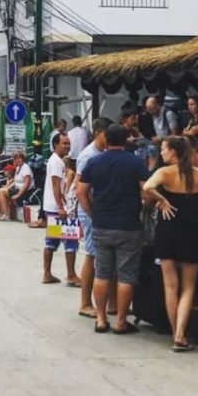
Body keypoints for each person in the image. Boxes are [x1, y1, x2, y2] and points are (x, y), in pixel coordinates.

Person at [76, 123, 148, 335]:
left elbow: (81, 192)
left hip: (102, 224)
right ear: (126, 140)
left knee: (102, 272)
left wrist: (93, 214)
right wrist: (147, 204)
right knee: (126, 275)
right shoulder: (136, 163)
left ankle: (100, 319)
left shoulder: (94, 162)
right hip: (129, 225)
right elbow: (147, 189)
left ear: (106, 140)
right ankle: (121, 322)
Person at [142, 137, 198, 351]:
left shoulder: (165, 173)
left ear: (173, 152)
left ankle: (176, 333)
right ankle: (181, 333)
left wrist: (162, 200)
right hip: (191, 232)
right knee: (188, 286)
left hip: (167, 231)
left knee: (170, 286)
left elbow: (147, 187)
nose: (161, 153)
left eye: (163, 149)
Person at [74, 118, 111, 318]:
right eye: (106, 135)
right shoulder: (87, 155)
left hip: (99, 209)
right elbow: (82, 190)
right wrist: (92, 213)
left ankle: (110, 303)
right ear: (97, 133)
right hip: (89, 209)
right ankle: (85, 303)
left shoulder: (103, 153)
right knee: (91, 254)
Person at [41, 133, 79, 284]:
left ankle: (47, 273)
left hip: (53, 206)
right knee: (70, 240)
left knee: (52, 240)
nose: (67, 146)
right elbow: (56, 185)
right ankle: (71, 274)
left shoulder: (58, 161)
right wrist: (61, 207)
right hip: (57, 208)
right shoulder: (56, 162)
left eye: (68, 143)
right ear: (55, 144)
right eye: (64, 143)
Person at [0, 152, 32, 221]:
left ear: (23, 159)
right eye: (15, 159)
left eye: (19, 158)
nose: (17, 160)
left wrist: (18, 195)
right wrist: (7, 187)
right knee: (0, 190)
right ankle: (1, 213)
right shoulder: (18, 168)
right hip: (16, 188)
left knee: (2, 191)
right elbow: (15, 181)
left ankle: (6, 215)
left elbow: (26, 184)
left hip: (24, 191)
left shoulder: (26, 168)